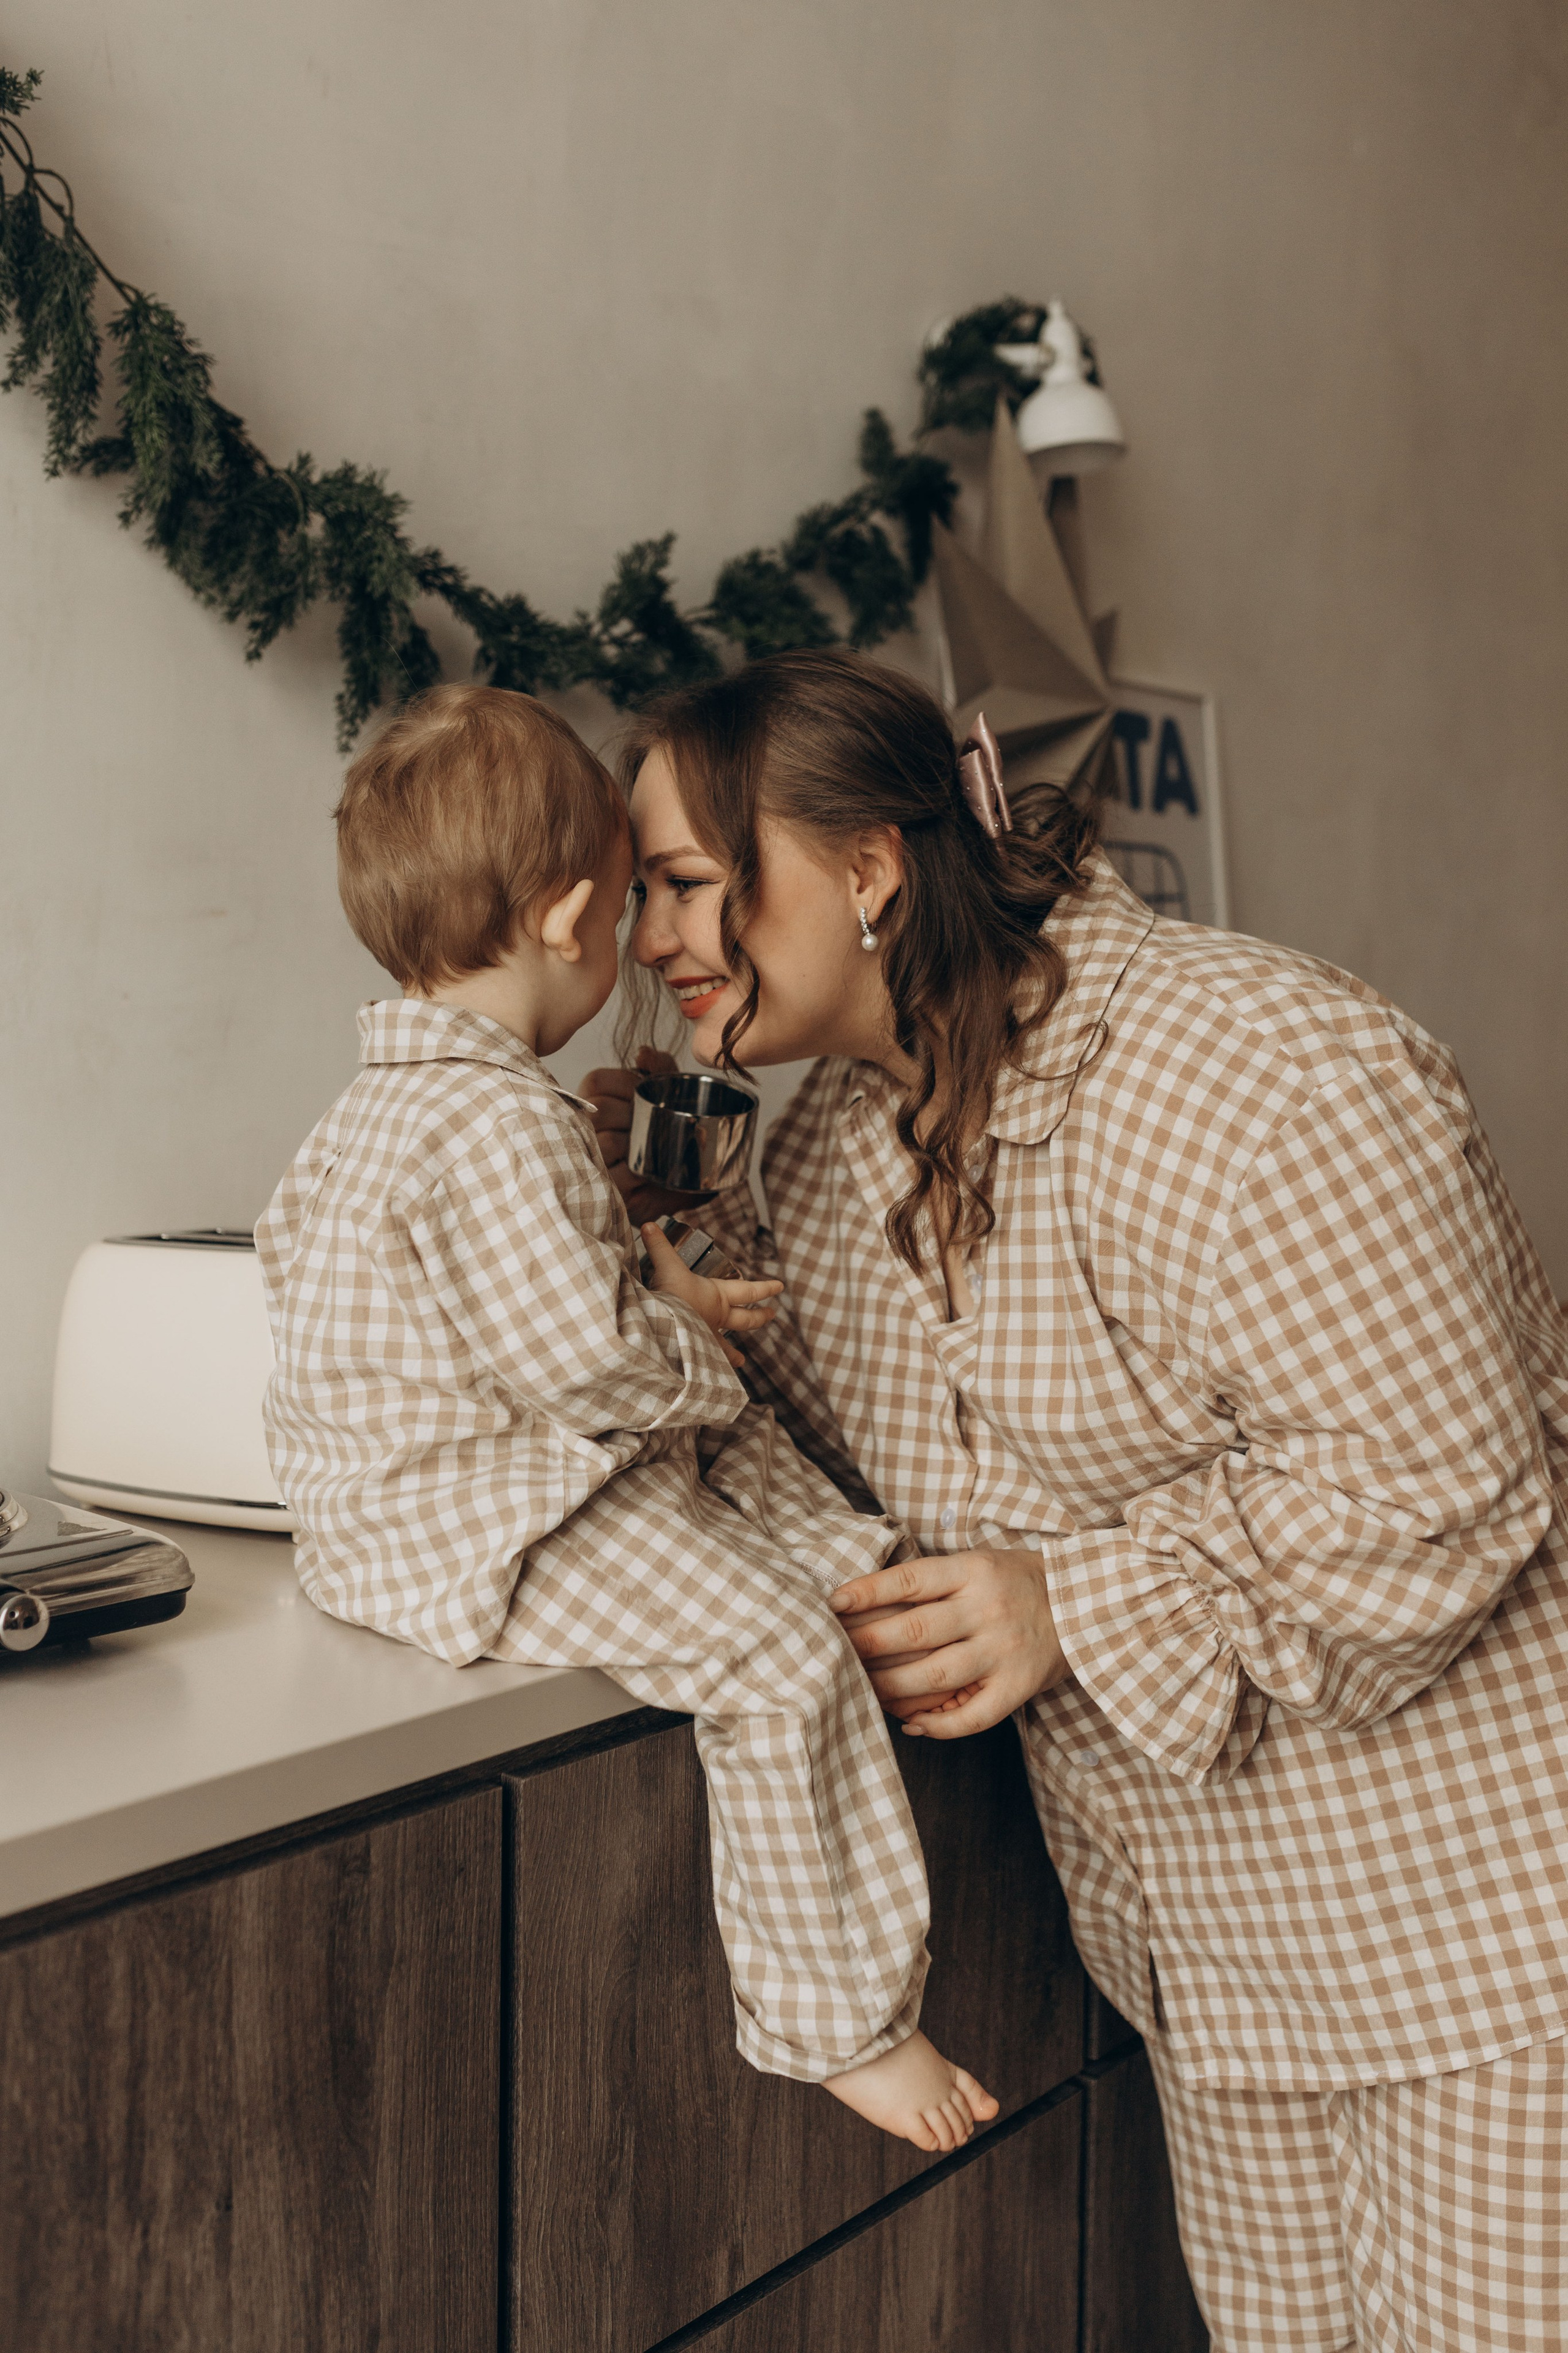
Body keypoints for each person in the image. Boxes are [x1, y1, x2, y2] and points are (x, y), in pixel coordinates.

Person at [587, 646, 1568, 2352]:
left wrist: (1070, 1604)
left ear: (871, 868)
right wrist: (625, 1251)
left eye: (683, 882)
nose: (651, 938)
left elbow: (1442, 1490)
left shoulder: (1264, 1072)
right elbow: (790, 1459)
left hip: (1487, 1959)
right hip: (1215, 1973)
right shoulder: (828, 1162)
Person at [255, 681, 998, 2153]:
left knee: (736, 1482)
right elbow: (589, 1369)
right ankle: (840, 2020)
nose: (647, 947)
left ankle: (854, 1552)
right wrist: (694, 1330)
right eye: (628, 911)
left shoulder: (377, 1110)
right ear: (562, 917)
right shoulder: (499, 1117)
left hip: (410, 1501)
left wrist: (652, 1260)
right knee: (775, 1653)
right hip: (482, 1516)